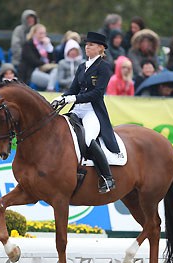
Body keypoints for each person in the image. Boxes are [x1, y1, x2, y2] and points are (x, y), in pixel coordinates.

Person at [52, 32, 120, 193]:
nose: (87, 47)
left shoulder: (104, 67)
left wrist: (72, 98)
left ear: (101, 48)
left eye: (91, 45)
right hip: (77, 110)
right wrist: (60, 98)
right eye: (86, 44)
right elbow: (73, 89)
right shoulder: (82, 66)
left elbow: (97, 93)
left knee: (88, 139)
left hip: (92, 111)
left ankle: (107, 178)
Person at [18, 23, 56, 90]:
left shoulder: (46, 44)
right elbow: (33, 61)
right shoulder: (28, 44)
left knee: (56, 70)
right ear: (34, 33)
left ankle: (50, 88)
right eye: (40, 33)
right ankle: (50, 89)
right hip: (32, 71)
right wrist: (45, 65)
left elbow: (52, 60)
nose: (43, 35)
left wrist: (48, 47)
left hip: (45, 71)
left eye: (44, 33)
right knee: (52, 80)